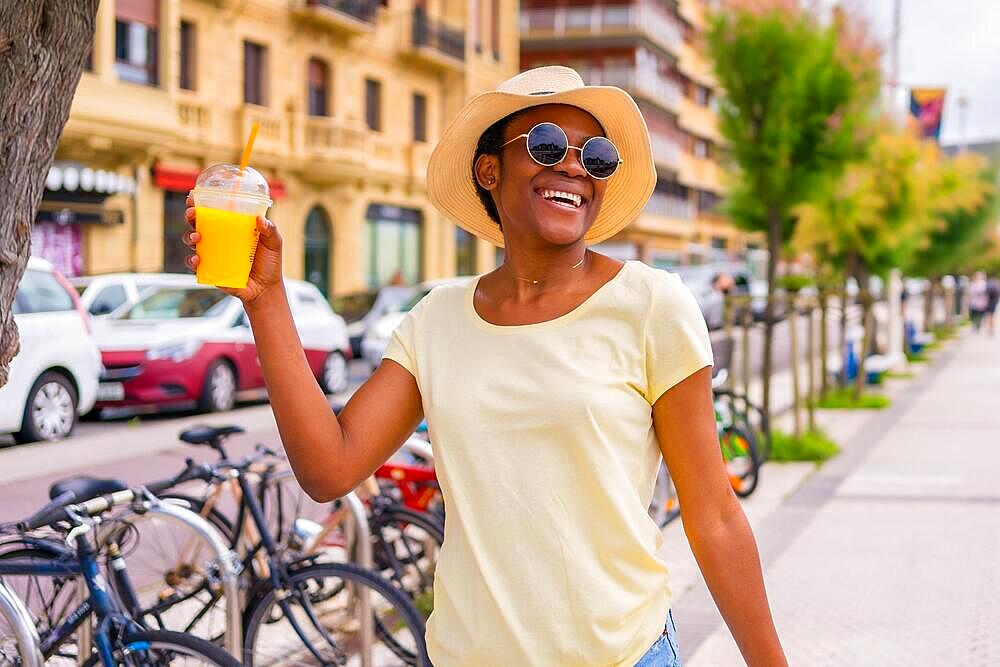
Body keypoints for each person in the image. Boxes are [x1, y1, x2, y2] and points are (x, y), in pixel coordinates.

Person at [183, 66, 786, 667]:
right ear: (489, 170)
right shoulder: (437, 319)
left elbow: (714, 517)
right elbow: (328, 468)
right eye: (549, 144)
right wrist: (265, 300)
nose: (576, 167)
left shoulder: (652, 305)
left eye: (597, 157)